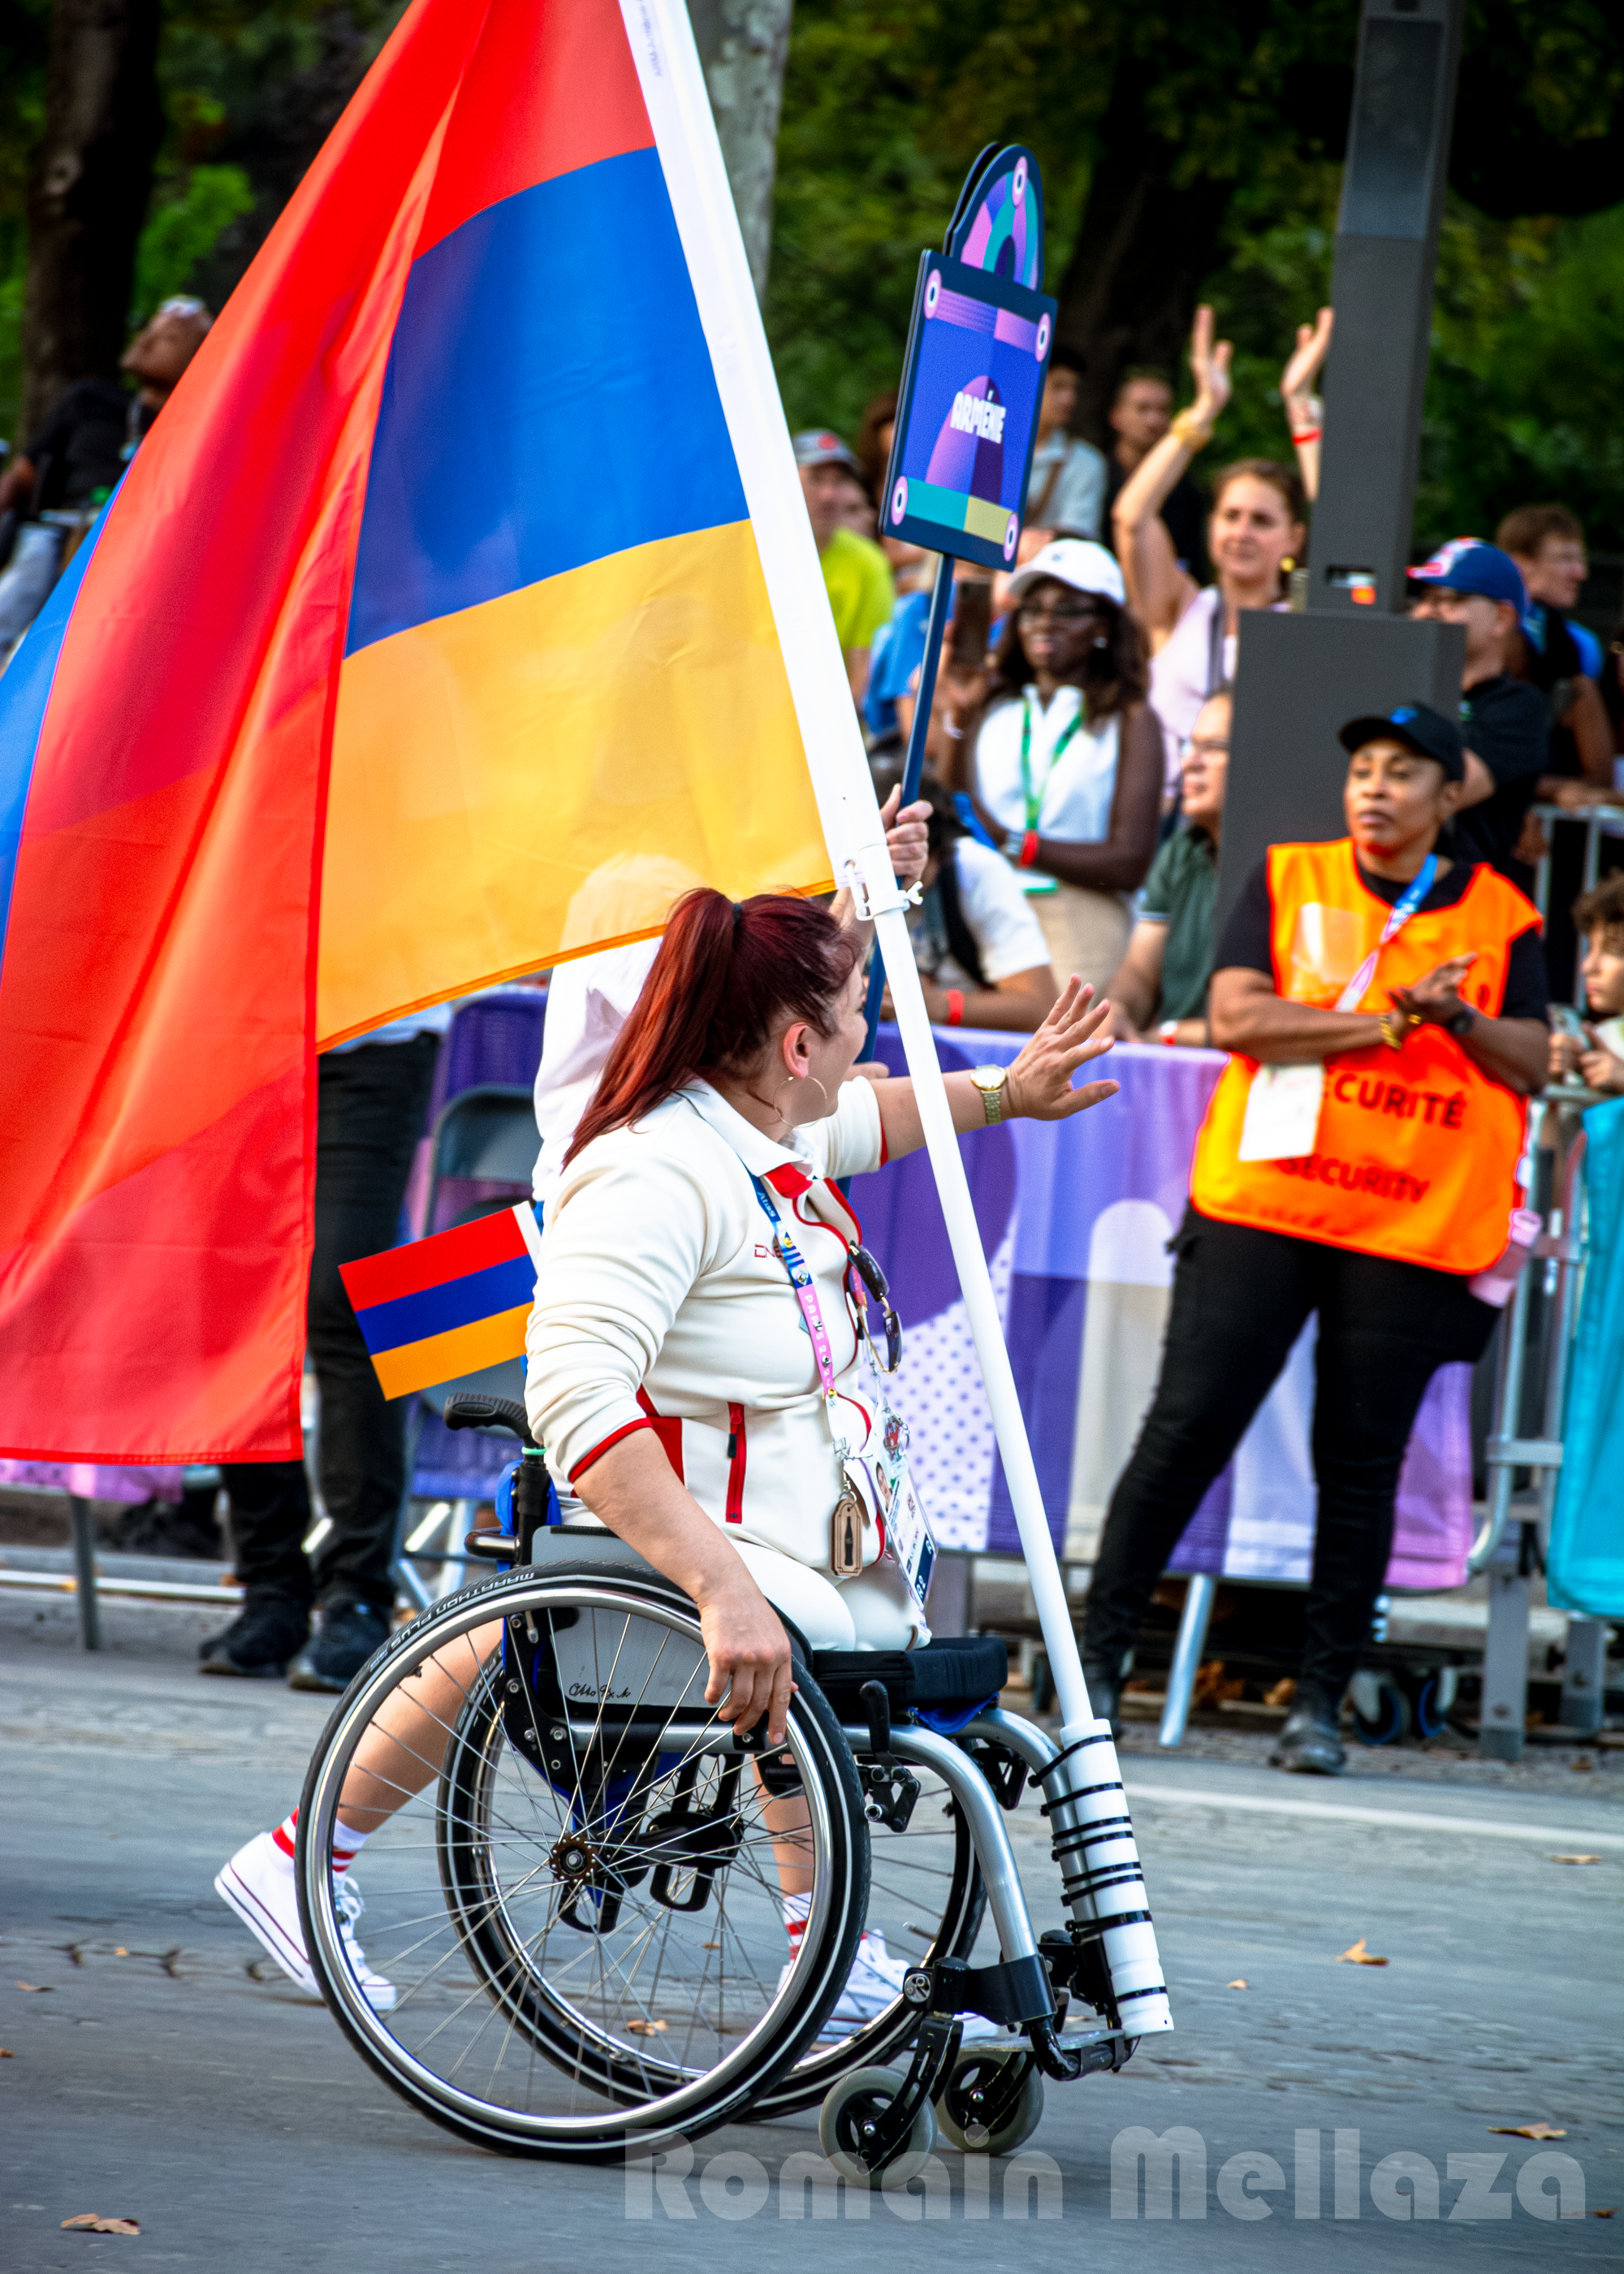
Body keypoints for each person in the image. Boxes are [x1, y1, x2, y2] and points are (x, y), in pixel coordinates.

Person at [218, 894, 1119, 2010]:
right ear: (796, 1047)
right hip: (706, 1532)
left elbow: (874, 1113)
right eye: (856, 1015)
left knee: (819, 1637)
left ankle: (818, 1954)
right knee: (723, 1634)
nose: (869, 1038)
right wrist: (719, 1585)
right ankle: (816, 1957)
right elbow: (578, 1396)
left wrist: (1009, 1095)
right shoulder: (658, 1168)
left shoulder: (761, 1127)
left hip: (790, 1527)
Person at [1081, 701, 1548, 1775]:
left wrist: (1459, 1018)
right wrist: (1393, 1020)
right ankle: (1094, 1670)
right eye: (1363, 771)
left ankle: (1320, 1705)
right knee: (1185, 1430)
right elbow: (1242, 1016)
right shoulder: (1290, 874)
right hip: (1265, 1205)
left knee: (1361, 1466)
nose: (1375, 788)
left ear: (1447, 797)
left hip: (1410, 1221)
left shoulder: (1502, 915)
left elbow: (1531, 1053)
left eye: (1402, 772)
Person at [199, 1008, 451, 1688]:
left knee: (346, 1301)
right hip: (242, 1040)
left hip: (376, 1033)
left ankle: (357, 1595)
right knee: (237, 1314)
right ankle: (272, 1591)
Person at [530, 788, 931, 1215]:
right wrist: (830, 1080)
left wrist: (864, 887)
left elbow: (795, 1011)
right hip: (620, 1202)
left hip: (699, 1186)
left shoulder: (705, 883)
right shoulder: (634, 893)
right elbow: (750, 1046)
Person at [941, 537, 1163, 995]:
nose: (1044, 621)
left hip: (1079, 912)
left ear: (1103, 624)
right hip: (982, 907)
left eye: (1066, 609)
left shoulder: (1130, 718)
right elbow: (953, 813)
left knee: (1062, 1054)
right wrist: (960, 717)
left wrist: (1013, 843)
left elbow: (1131, 861)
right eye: (1032, 608)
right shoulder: (994, 705)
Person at [1112, 306, 1310, 788]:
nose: (1242, 532)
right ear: (1211, 527)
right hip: (1164, 822)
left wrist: (1304, 416)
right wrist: (1201, 413)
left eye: (1261, 521)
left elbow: (1352, 542)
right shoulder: (1179, 605)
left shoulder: (1305, 622)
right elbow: (1132, 517)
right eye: (1231, 516)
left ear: (1295, 539)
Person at [1406, 538, 1551, 893]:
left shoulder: (1519, 706)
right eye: (1425, 597)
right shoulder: (1396, 685)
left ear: (1501, 619)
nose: (1428, 611)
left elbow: (1430, 796)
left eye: (1450, 599)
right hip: (1376, 895)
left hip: (1462, 909)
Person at [1103, 689, 1229, 1046]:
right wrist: (1118, 1009)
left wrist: (1168, 1036)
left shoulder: (1287, 862)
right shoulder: (1180, 851)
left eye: (1214, 747)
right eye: (1189, 746)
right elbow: (1140, 970)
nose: (1191, 762)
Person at [888, 780, 1059, 1032]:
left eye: (912, 873)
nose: (898, 888)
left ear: (942, 853)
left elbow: (1041, 1008)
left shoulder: (976, 871)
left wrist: (937, 1005)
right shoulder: (831, 881)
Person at [794, 429, 895, 703]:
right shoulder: (757, 552)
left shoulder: (868, 562)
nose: (828, 495)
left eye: (838, 482)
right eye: (815, 480)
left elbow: (862, 676)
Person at [1100, 369, 1207, 577]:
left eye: (1163, 410)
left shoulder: (1187, 489)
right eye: (1143, 409)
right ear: (1116, 416)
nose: (1154, 420)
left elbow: (1195, 566)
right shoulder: (1096, 475)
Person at [1548, 874, 1624, 1094]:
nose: (1588, 966)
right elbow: (1555, 1130)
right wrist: (1556, 1086)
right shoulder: (1600, 1041)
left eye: (1611, 951)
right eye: (1591, 948)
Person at [1023, 357, 1108, 543]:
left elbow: (1077, 536)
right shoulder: (991, 447)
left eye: (1074, 389)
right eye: (1058, 387)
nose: (1069, 399)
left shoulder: (1086, 462)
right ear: (1027, 383)